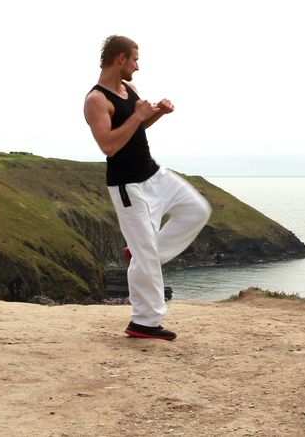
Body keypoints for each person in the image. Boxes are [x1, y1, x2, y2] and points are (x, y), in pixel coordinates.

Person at [83, 35, 212, 341]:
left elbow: (135, 130)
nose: (138, 67)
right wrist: (139, 115)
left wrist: (155, 115)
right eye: (136, 60)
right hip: (128, 187)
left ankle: (141, 253)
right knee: (146, 254)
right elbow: (109, 146)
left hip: (154, 175)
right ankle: (144, 322)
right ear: (121, 59)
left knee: (196, 210)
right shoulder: (95, 100)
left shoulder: (130, 89)